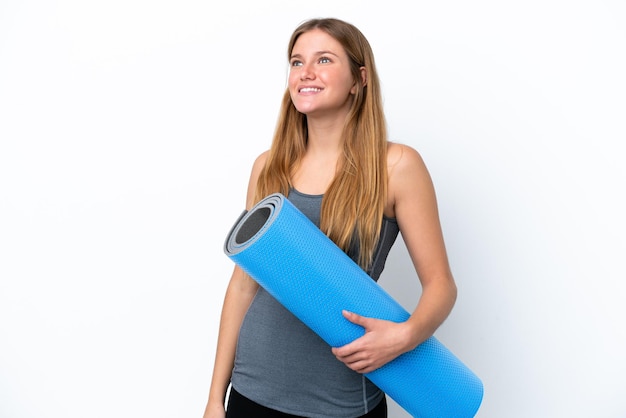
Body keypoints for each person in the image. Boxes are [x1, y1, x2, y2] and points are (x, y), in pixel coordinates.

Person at [202, 17, 457, 418]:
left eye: (324, 60)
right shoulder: (268, 167)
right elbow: (242, 287)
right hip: (251, 391)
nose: (306, 72)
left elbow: (441, 286)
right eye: (296, 61)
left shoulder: (396, 166)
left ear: (359, 78)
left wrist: (405, 337)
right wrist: (216, 398)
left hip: (341, 402)